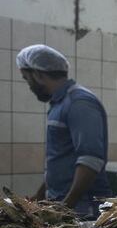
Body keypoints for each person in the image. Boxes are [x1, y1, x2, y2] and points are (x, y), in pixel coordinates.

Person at [15, 44, 111, 218]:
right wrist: (40, 195)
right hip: (64, 204)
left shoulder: (79, 103)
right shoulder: (59, 104)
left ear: (38, 74)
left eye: (26, 78)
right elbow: (60, 159)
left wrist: (65, 208)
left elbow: (91, 161)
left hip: (84, 209)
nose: (29, 85)